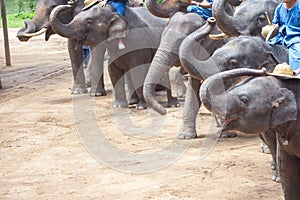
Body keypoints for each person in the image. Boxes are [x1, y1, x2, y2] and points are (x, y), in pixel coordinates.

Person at [267, 0, 300, 75]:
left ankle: (296, 75)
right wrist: (274, 27)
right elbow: (275, 23)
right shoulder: (279, 8)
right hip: (281, 38)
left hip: (296, 38)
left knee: (297, 53)